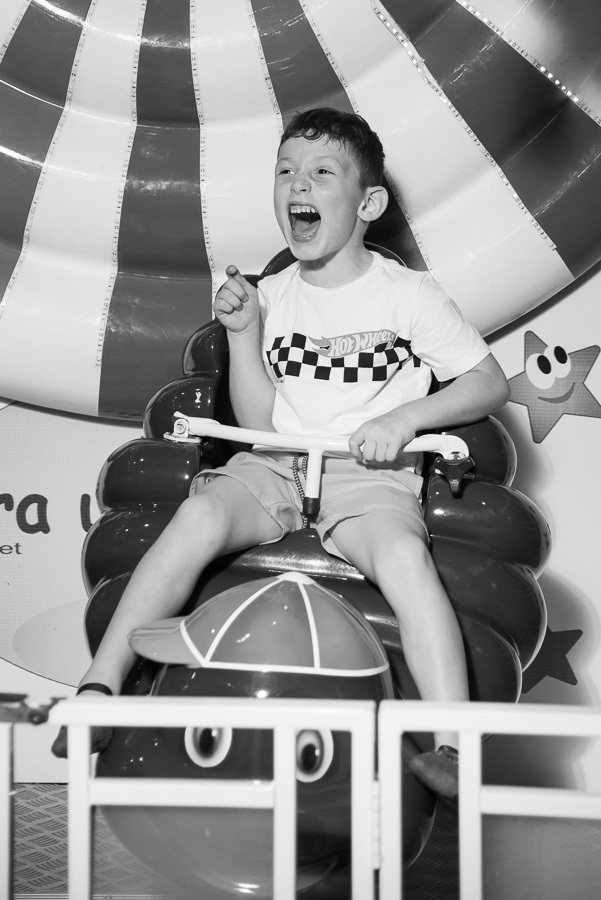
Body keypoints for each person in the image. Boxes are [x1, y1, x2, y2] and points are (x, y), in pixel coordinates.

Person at [52, 108, 510, 799]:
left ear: (368, 204)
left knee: (403, 558)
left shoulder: (410, 295)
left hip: (367, 477)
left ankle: (451, 744)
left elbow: (487, 382)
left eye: (322, 172)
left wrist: (404, 418)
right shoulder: (270, 297)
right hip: (274, 464)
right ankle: (99, 690)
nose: (299, 184)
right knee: (199, 517)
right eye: (286, 171)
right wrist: (243, 334)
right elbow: (261, 421)